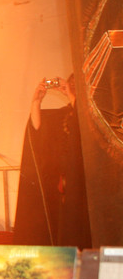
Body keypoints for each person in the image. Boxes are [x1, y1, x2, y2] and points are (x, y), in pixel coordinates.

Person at [14, 74, 91, 248]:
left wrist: (73, 98)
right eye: (71, 86)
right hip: (61, 195)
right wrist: (36, 102)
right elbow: (37, 133)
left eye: (76, 87)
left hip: (84, 197)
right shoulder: (61, 115)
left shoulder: (94, 118)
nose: (72, 89)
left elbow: (84, 127)